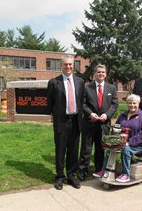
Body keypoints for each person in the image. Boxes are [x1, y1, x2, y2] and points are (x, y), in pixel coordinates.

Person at [93, 94, 142, 182]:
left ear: (138, 104)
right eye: (130, 103)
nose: (132, 105)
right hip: (123, 142)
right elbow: (117, 127)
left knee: (126, 150)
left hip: (140, 144)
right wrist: (114, 138)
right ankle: (105, 170)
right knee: (110, 148)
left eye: (134, 103)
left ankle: (125, 174)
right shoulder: (122, 115)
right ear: (127, 104)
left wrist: (130, 142)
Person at [47, 54, 85, 190]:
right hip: (61, 121)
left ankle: (71, 176)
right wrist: (55, 117)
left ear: (73, 65)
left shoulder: (80, 82)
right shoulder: (53, 82)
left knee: (74, 150)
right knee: (60, 150)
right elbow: (49, 103)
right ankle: (60, 177)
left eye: (70, 64)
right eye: (65, 64)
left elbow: (82, 101)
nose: (68, 67)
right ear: (61, 66)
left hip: (75, 121)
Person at [77, 64, 119, 181]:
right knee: (86, 148)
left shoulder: (112, 88)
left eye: (103, 72)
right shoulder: (87, 88)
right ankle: (83, 170)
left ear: (106, 74)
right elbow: (83, 104)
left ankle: (99, 169)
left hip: (104, 124)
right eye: (98, 72)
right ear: (94, 74)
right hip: (89, 122)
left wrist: (107, 114)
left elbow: (115, 104)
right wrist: (90, 113)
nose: (101, 74)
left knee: (101, 148)